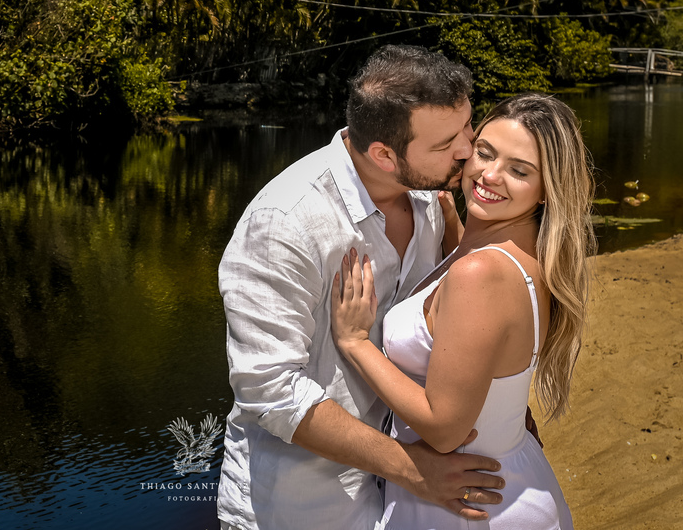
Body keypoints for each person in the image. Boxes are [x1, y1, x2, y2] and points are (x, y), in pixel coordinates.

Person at [217, 46, 506, 530]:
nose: (467, 151)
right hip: (299, 505)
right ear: (384, 155)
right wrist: (413, 469)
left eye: (466, 128)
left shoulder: (430, 197)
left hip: (403, 499)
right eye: (446, 143)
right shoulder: (285, 224)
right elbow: (270, 391)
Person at [331, 93, 594, 528]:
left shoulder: (479, 273)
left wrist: (356, 344)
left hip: (465, 504)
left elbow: (445, 427)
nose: (490, 174)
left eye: (519, 170)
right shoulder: (527, 257)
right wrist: (455, 229)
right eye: (485, 153)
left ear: (548, 188)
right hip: (507, 479)